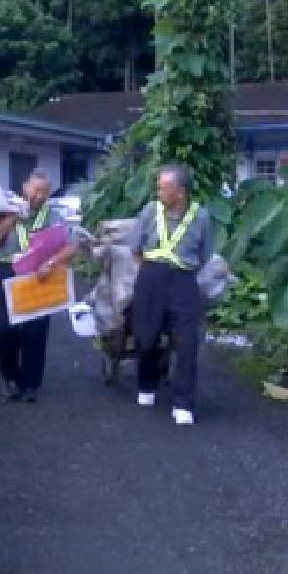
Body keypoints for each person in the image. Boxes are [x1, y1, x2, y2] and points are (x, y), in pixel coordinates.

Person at [128, 163, 214, 426]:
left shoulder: (201, 217)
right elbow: (135, 248)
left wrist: (181, 270)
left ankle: (183, 402)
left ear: (181, 192)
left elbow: (205, 254)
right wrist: (149, 273)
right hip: (151, 276)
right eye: (159, 187)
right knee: (145, 336)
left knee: (187, 342)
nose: (159, 192)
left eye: (164, 188)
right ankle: (147, 383)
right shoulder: (149, 212)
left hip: (183, 279)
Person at [0, 171, 77, 403]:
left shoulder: (53, 215)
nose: (37, 196)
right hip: (10, 272)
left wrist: (52, 262)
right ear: (24, 187)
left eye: (43, 192)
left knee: (36, 330)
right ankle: (10, 377)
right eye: (34, 190)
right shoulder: (6, 210)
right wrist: (12, 219)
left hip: (41, 273)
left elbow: (72, 245)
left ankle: (31, 384)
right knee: (7, 329)